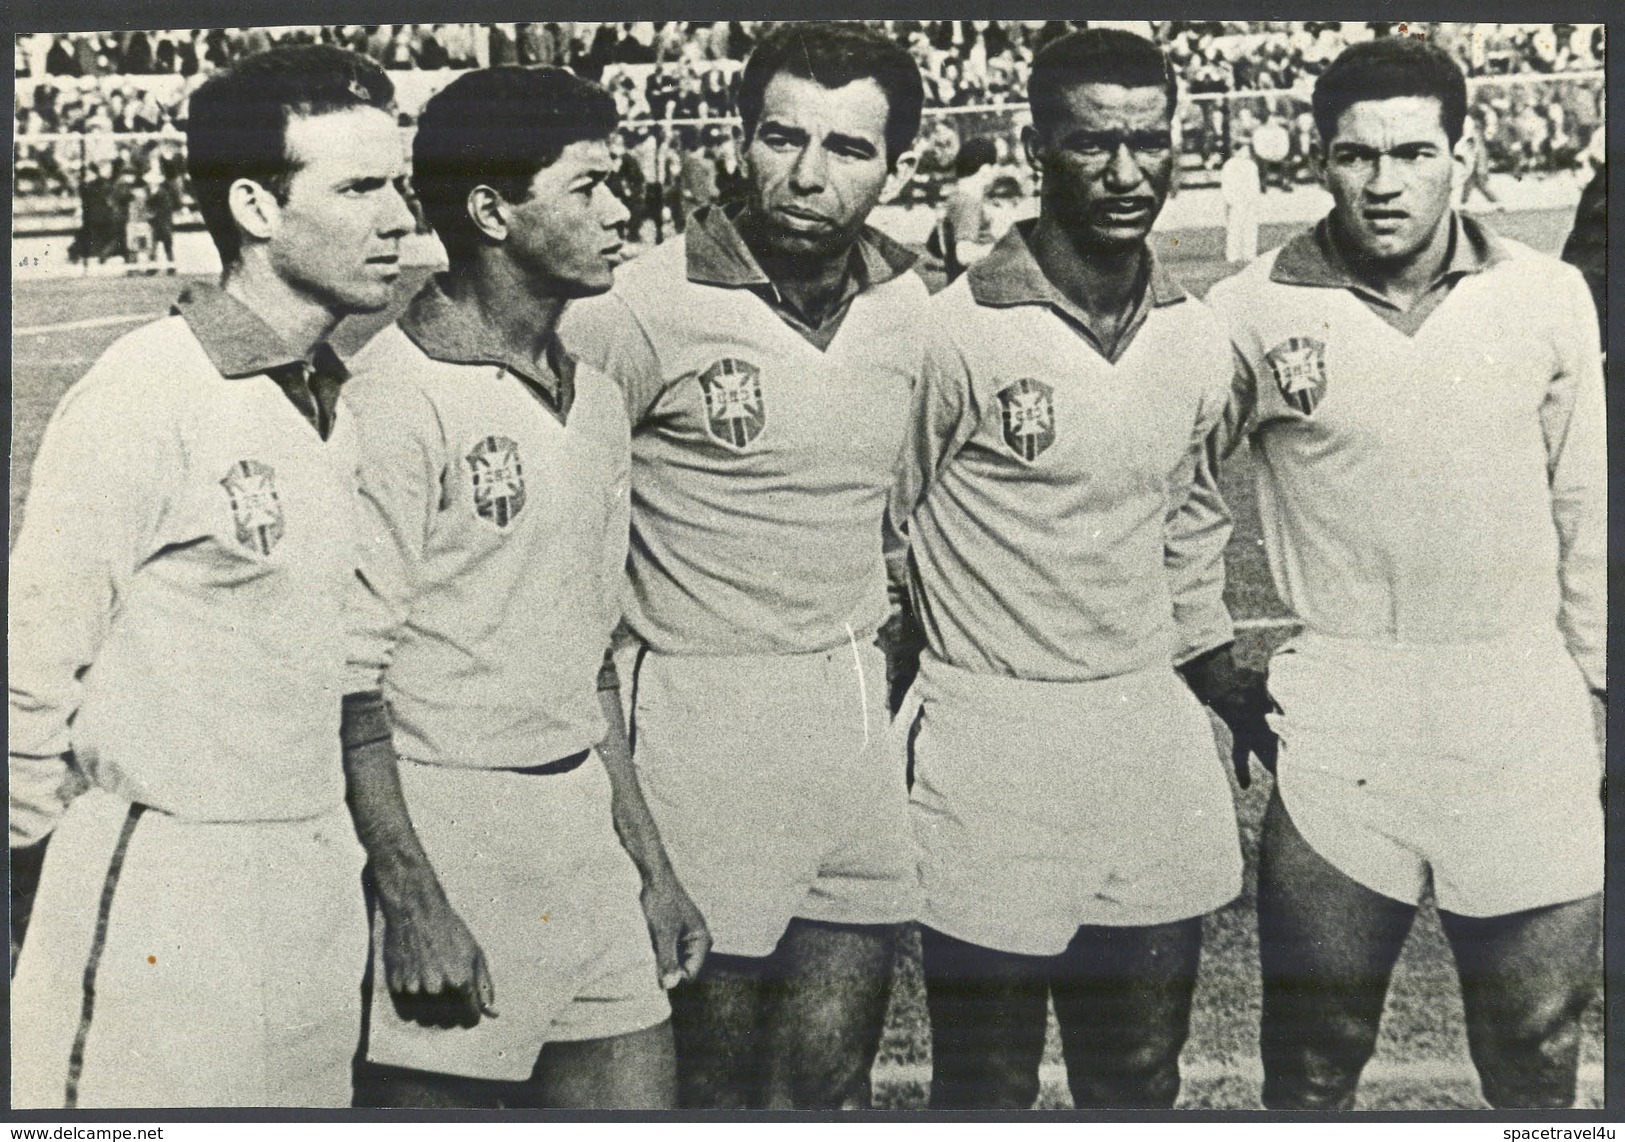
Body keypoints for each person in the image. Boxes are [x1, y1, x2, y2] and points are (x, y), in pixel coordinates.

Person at [9, 45, 414, 1108]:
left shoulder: (336, 401)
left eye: (401, 186)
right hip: (162, 885)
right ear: (254, 205)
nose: (400, 220)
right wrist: (40, 871)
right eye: (360, 188)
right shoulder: (145, 390)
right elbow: (29, 671)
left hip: (312, 876)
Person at [1205, 37, 1605, 1111]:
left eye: (1411, 152)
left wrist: (1599, 685)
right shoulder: (1247, 309)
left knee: (1534, 1046)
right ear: (1319, 162)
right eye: (1354, 155)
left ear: (1459, 156)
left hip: (1515, 689)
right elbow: (1168, 491)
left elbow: (1589, 503)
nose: (1382, 183)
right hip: (1346, 697)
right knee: (1314, 1048)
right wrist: (1210, 658)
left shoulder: (1547, 294)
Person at [891, 29, 1268, 1110]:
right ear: (1036, 147)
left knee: (1139, 1075)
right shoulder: (950, 334)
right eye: (1090, 143)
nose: (1122, 172)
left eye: (1146, 143)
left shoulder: (1195, 339)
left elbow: (1189, 521)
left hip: (1144, 732)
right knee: (984, 1081)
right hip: (989, 735)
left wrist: (1214, 668)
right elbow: (884, 527)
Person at [561, 21, 927, 1110]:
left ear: (892, 165)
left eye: (848, 149)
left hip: (852, 706)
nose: (808, 174)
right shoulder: (635, 308)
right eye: (782, 138)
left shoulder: (909, 306)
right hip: (696, 711)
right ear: (739, 141)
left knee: (830, 1080)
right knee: (711, 1086)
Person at [340, 66, 708, 1113]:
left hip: (581, 830)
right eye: (588, 187)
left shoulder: (591, 397)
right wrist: (413, 896)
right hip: (452, 823)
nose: (621, 209)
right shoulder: (393, 397)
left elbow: (587, 656)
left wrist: (651, 863)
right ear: (493, 211)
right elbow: (351, 680)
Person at [1220, 136, 1263, 263]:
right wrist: (1231, 200)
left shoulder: (1251, 165)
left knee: (1250, 228)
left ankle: (1249, 253)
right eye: (1244, 150)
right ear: (1236, 151)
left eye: (1248, 150)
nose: (1247, 153)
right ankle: (1233, 255)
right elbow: (1226, 185)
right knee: (1234, 228)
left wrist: (1253, 199)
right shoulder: (1229, 165)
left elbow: (1255, 185)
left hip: (1249, 201)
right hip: (1235, 202)